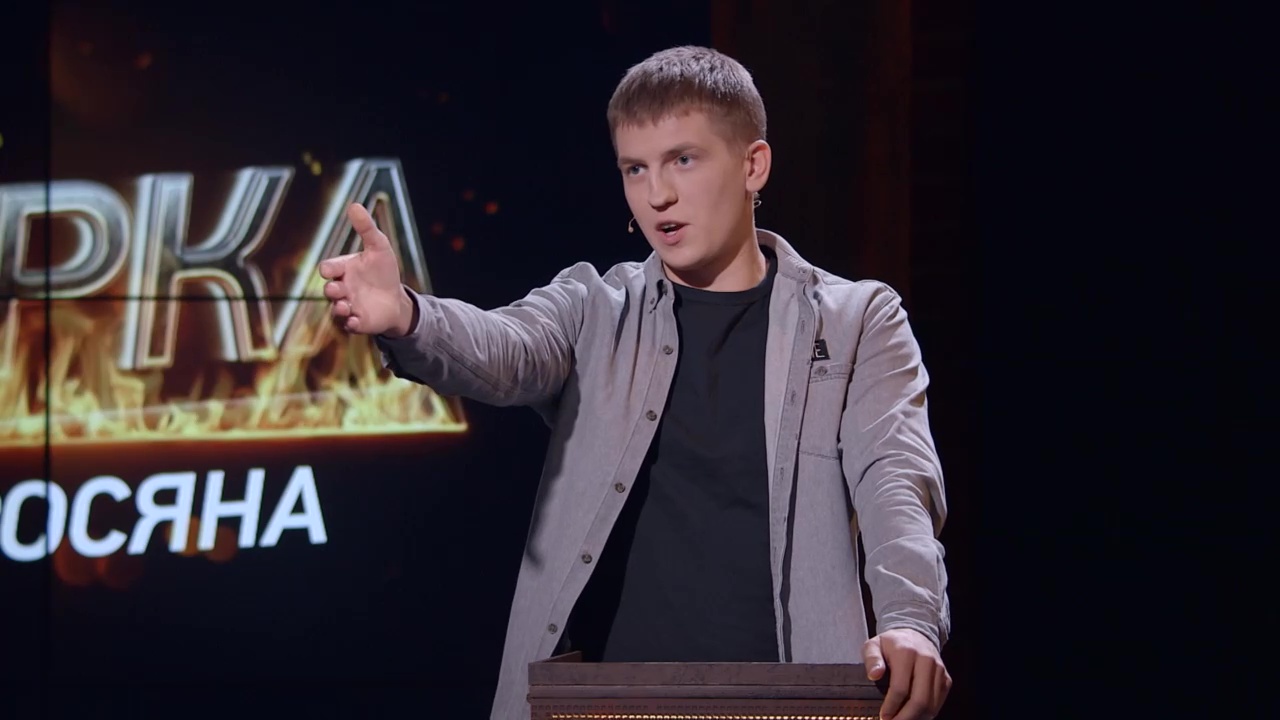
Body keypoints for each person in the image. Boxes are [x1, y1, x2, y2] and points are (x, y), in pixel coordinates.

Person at [318, 45, 952, 720]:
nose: (657, 195)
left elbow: (896, 480)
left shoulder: (858, 320)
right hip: (606, 702)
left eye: (684, 160)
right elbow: (505, 349)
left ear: (753, 165)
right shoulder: (596, 308)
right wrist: (409, 315)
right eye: (635, 169)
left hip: (786, 700)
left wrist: (911, 620)